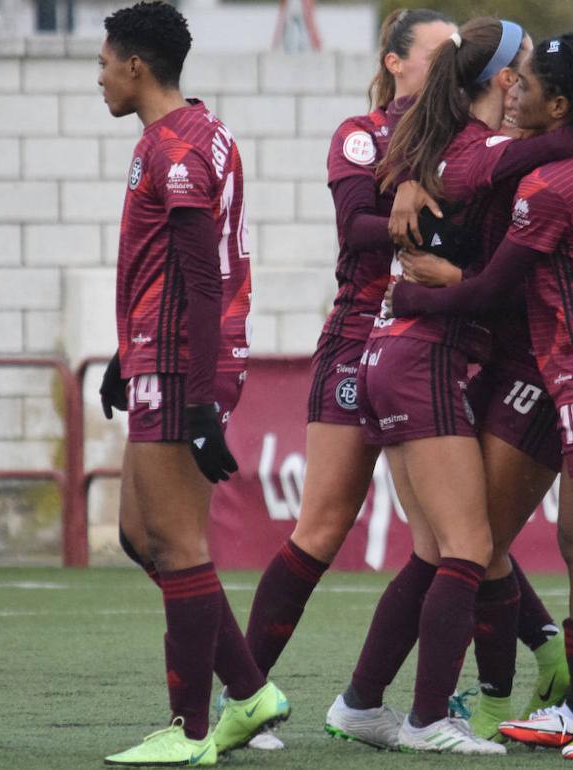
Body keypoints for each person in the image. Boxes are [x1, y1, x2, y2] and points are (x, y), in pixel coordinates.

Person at [383, 18, 573, 740]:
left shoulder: (547, 182)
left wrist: (414, 295)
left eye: (534, 82)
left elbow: (490, 290)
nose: (519, 89)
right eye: (513, 73)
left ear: (560, 105)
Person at [231, 9, 454, 753]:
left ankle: (427, 702)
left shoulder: (470, 140)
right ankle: (241, 695)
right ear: (395, 63)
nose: (454, 65)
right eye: (438, 53)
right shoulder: (364, 134)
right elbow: (356, 225)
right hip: (362, 338)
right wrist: (411, 211)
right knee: (325, 525)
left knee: (454, 534)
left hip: (436, 342)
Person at [95, 2, 287, 765]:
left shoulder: (178, 147)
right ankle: (250, 692)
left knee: (174, 543)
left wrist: (201, 394)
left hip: (181, 360)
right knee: (138, 536)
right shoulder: (180, 135)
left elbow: (203, 279)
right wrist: (123, 352)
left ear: (137, 65)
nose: (100, 77)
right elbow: (167, 268)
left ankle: (193, 731)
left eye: (104, 63)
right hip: (156, 350)